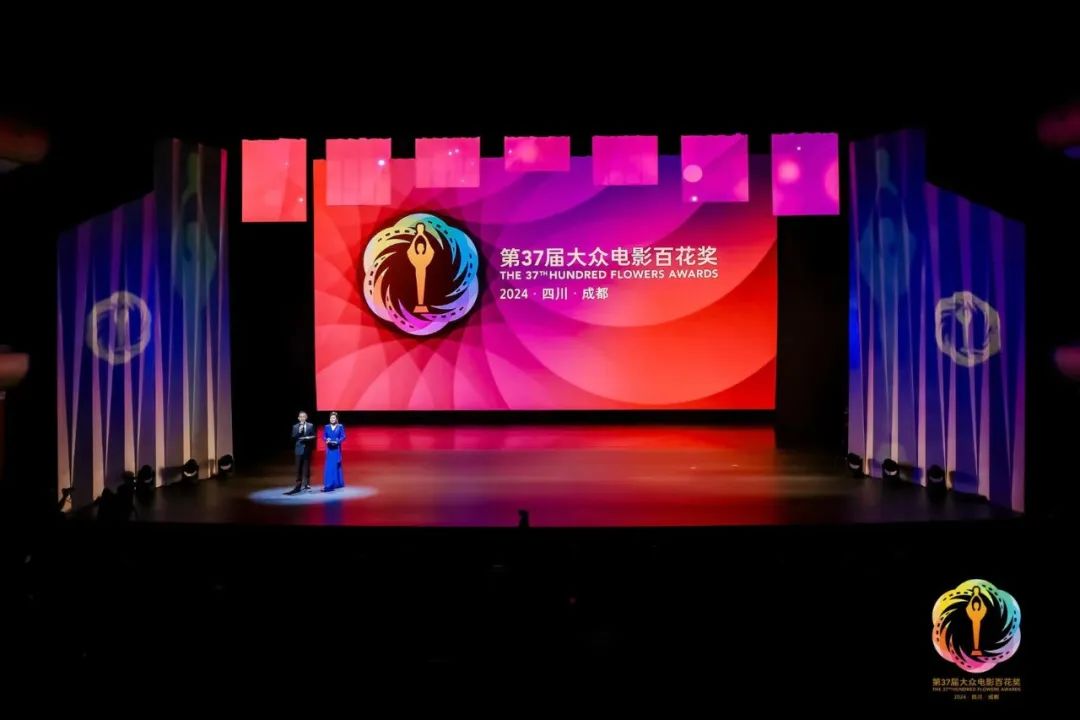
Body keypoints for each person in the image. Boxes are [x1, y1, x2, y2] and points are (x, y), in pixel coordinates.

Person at [286, 411, 316, 495]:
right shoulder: (295, 426)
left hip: (307, 449)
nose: (302, 418)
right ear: (298, 418)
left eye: (304, 416)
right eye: (301, 417)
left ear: (306, 417)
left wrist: (307, 438)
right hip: (298, 450)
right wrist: (299, 432)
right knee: (298, 468)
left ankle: (307, 484)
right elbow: (293, 437)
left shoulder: (310, 425)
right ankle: (298, 485)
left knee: (306, 468)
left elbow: (314, 436)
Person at [322, 412, 346, 492]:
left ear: (336, 419)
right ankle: (329, 484)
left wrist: (338, 441)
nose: (332, 419)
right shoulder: (326, 426)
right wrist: (326, 439)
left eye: (334, 418)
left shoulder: (340, 426)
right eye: (331, 418)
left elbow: (343, 436)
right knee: (329, 466)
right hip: (329, 449)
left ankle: (338, 483)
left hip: (336, 448)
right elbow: (324, 436)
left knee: (336, 465)